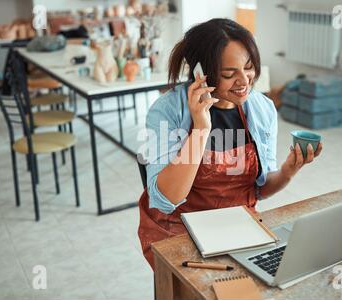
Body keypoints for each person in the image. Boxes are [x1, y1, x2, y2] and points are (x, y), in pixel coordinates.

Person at [137, 18, 322, 268]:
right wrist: (201, 128)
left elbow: (259, 190)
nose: (244, 81)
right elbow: (166, 198)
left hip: (239, 227)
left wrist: (288, 172)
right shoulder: (167, 111)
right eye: (228, 74)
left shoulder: (262, 108)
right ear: (200, 73)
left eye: (249, 68)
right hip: (178, 231)